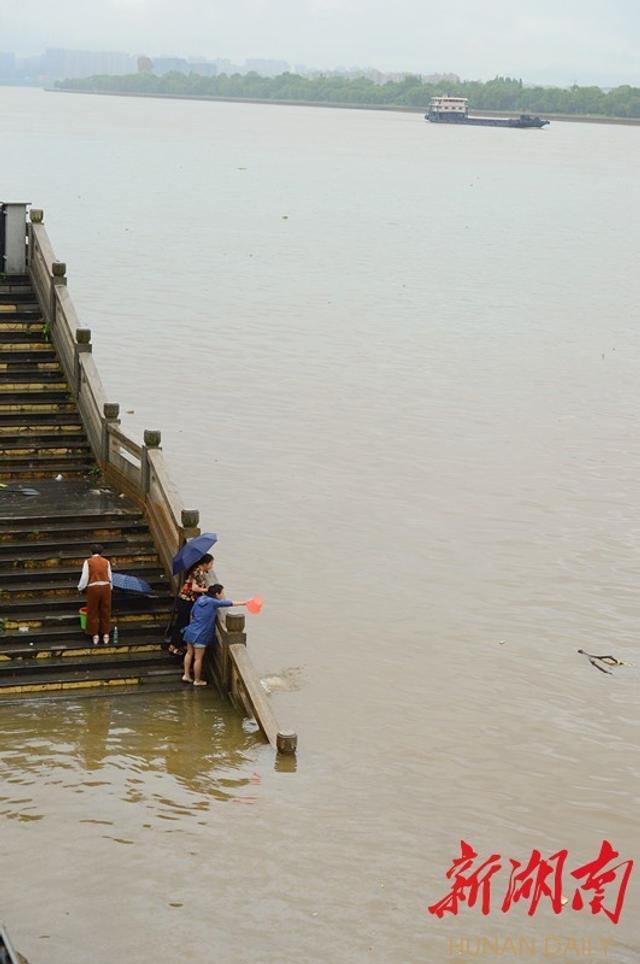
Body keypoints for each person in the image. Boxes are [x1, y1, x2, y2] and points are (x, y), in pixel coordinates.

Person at [182, 584, 249, 686]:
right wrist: (245, 603)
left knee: (189, 653)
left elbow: (192, 614)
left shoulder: (200, 599)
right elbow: (228, 603)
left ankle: (186, 675)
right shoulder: (213, 602)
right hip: (200, 635)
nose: (223, 595)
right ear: (217, 594)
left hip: (191, 630)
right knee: (198, 658)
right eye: (222, 593)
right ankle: (197, 680)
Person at [169, 553, 215, 655]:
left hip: (187, 600)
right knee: (182, 623)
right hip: (186, 601)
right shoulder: (198, 572)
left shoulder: (199, 571)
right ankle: (174, 646)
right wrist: (206, 589)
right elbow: (194, 588)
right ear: (205, 564)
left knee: (183, 623)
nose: (212, 566)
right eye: (211, 564)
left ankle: (178, 645)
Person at [77, 544, 113, 645]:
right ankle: (106, 633)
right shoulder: (106, 562)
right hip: (106, 586)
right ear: (101, 552)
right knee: (105, 610)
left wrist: (80, 587)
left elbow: (85, 577)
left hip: (94, 587)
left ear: (91, 552)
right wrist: (110, 588)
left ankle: (95, 634)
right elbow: (110, 576)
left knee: (93, 611)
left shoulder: (88, 562)